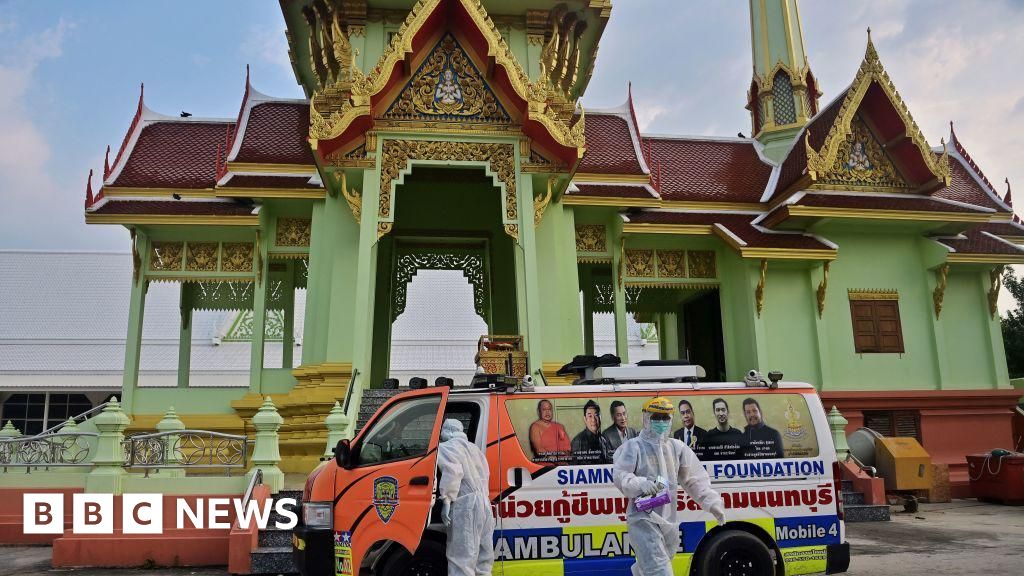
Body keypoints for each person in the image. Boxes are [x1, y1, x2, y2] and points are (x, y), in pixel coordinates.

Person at [612, 397, 726, 576]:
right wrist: (640, 483)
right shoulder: (633, 447)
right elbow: (621, 475)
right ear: (646, 418)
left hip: (669, 521)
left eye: (665, 418)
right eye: (656, 417)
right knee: (659, 569)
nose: (661, 422)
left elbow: (692, 479)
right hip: (643, 519)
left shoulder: (677, 448)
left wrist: (712, 503)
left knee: (648, 568)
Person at [436, 419, 494, 576]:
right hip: (484, 503)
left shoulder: (447, 447)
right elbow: (485, 474)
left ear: (447, 431)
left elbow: (453, 472)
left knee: (461, 557)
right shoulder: (474, 449)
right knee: (483, 557)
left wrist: (447, 499)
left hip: (466, 504)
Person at [571, 400, 613, 464]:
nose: (593, 420)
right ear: (585, 419)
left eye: (596, 415)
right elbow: (574, 467)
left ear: (600, 417)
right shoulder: (578, 441)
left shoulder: (603, 440)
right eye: (590, 416)